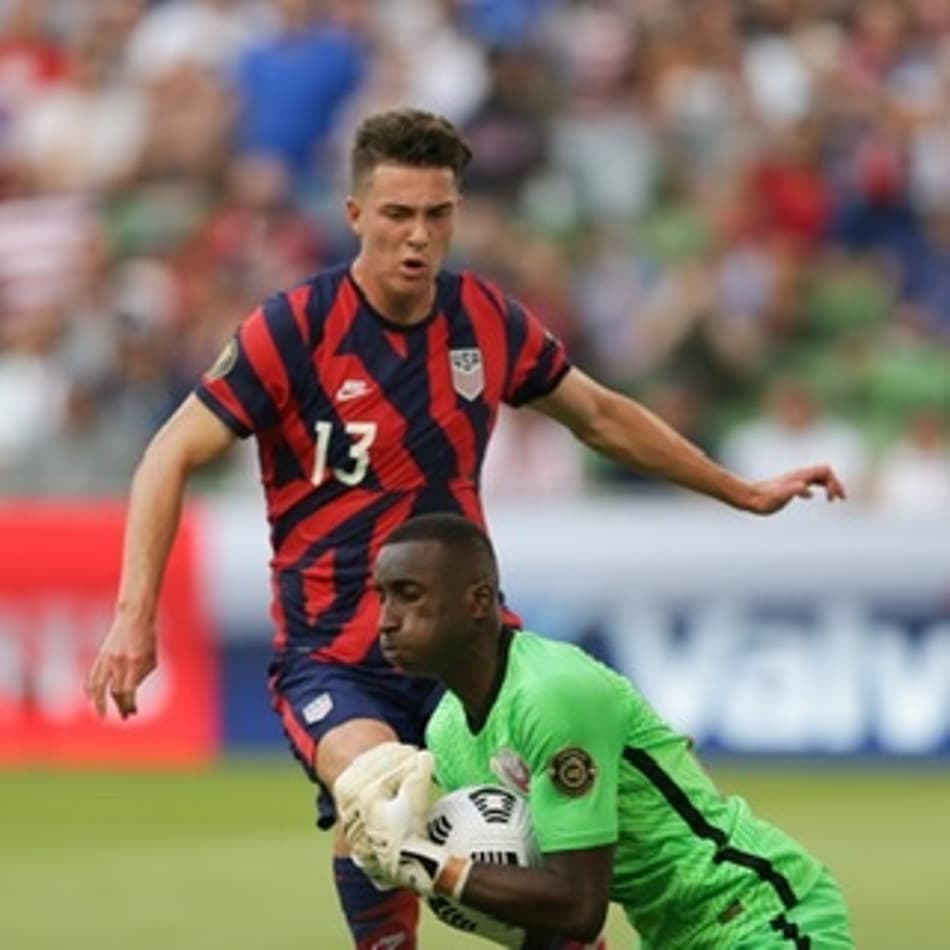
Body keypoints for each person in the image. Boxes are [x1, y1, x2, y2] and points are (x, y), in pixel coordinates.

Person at [85, 108, 845, 949]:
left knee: (548, 882)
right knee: (382, 798)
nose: (418, 237)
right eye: (397, 215)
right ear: (354, 216)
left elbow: (597, 415)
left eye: (437, 216)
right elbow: (167, 454)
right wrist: (133, 614)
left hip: (472, 659)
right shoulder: (294, 329)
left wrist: (738, 489)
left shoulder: (484, 319)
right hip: (338, 657)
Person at [346, 513, 854, 948]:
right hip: (672, 935)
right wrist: (433, 878)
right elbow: (548, 924)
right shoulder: (447, 733)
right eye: (382, 598)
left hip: (760, 912)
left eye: (408, 595)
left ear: (479, 601)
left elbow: (578, 906)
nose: (386, 621)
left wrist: (428, 864)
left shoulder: (552, 694)